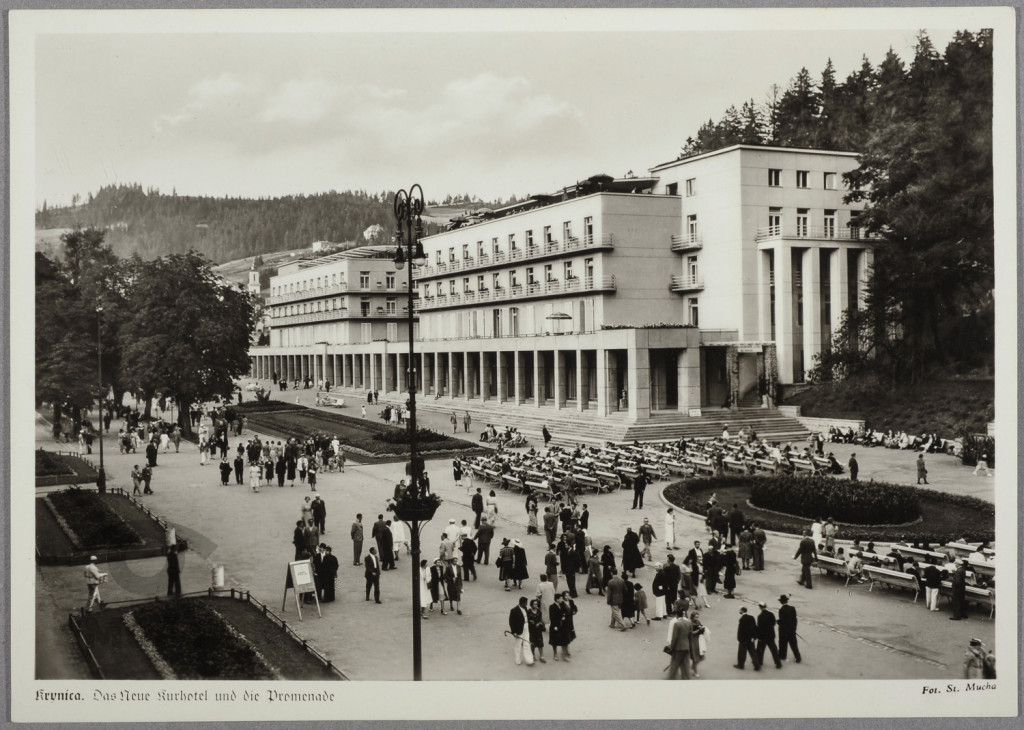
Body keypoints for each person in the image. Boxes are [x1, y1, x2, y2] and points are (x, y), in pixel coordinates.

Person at [665, 600, 693, 680]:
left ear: (677, 615)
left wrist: (672, 648)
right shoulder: (689, 622)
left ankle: (671, 679)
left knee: (674, 665)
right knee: (685, 666)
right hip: (686, 647)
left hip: (678, 648)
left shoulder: (677, 624)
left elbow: (674, 638)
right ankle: (686, 679)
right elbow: (690, 636)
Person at [755, 601, 782, 669]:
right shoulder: (771, 614)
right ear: (766, 606)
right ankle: (778, 663)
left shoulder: (760, 616)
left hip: (763, 636)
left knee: (760, 650)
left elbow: (759, 628)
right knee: (774, 650)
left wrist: (758, 636)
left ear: (760, 607)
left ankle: (759, 661)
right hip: (770, 635)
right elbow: (774, 623)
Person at [548, 591, 574, 661]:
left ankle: (565, 655)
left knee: (564, 640)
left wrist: (564, 616)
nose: (562, 600)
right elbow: (552, 617)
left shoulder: (562, 605)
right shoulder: (552, 607)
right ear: (557, 599)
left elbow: (566, 611)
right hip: (555, 626)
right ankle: (555, 654)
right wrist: (554, 626)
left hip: (563, 625)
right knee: (555, 641)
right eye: (561, 598)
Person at [509, 596, 534, 666]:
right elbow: (511, 622)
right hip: (519, 629)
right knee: (518, 645)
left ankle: (529, 660)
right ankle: (517, 660)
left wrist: (529, 621)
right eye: (525, 603)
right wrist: (514, 632)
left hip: (526, 627)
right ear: (521, 603)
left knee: (526, 643)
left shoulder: (525, 608)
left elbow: (526, 617)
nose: (526, 605)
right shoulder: (514, 610)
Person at [734, 606, 761, 671]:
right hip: (751, 639)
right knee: (753, 652)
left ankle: (741, 665)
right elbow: (755, 627)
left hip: (743, 640)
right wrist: (754, 637)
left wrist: (739, 639)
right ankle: (757, 665)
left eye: (740, 610)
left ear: (742, 611)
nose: (739, 611)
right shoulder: (751, 617)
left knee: (742, 653)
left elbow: (740, 631)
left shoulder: (742, 619)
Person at [777, 594, 800, 663]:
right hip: (792, 630)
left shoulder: (781, 610)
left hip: (784, 631)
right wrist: (794, 628)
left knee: (783, 644)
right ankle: (798, 657)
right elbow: (795, 620)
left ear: (781, 602)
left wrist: (777, 621)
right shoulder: (792, 608)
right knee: (793, 645)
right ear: (787, 601)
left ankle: (782, 656)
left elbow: (782, 622)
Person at [526, 598, 547, 663]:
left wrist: (539, 623)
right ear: (531, 605)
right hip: (531, 630)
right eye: (534, 604)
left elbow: (541, 619)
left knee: (540, 643)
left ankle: (541, 656)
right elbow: (527, 620)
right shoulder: (528, 612)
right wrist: (530, 622)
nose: (536, 605)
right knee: (532, 643)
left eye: (536, 604)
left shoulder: (539, 611)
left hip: (538, 630)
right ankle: (533, 655)